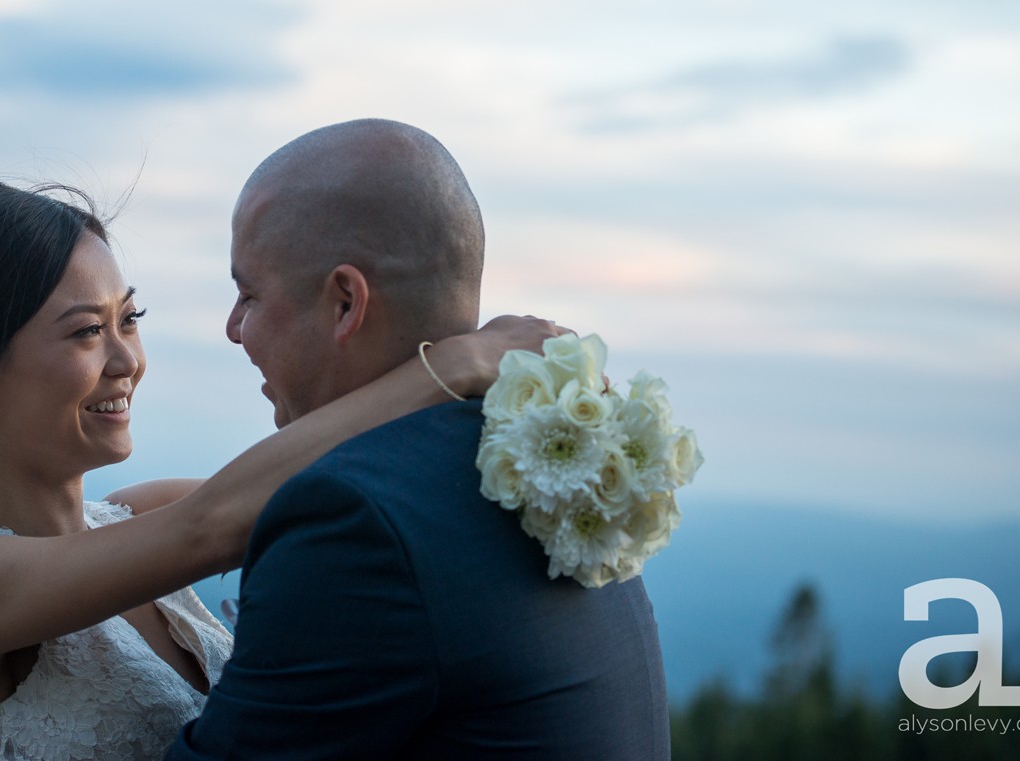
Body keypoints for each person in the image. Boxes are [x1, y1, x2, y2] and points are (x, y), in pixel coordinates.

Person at [0, 176, 561, 761]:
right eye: (87, 331)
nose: (127, 360)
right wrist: (456, 363)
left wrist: (550, 426)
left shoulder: (142, 511)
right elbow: (212, 524)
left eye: (130, 318)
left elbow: (351, 492)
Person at [168, 119, 671, 760]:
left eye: (248, 294)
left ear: (346, 302)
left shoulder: (356, 519)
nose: (234, 329)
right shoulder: (531, 466)